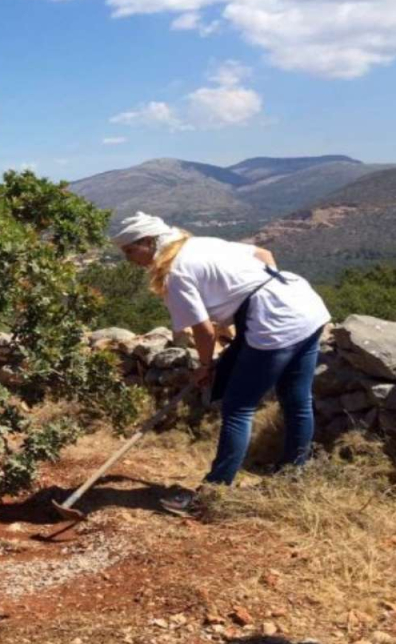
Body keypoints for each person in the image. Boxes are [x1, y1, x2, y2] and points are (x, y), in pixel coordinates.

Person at [112, 212, 330, 513]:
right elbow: (264, 255)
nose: (128, 259)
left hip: (274, 323)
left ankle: (212, 493)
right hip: (303, 304)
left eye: (129, 251)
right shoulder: (200, 244)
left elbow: (202, 330)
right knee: (297, 400)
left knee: (238, 408)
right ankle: (294, 475)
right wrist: (264, 297)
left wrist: (205, 365)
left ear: (148, 242)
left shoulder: (175, 273)